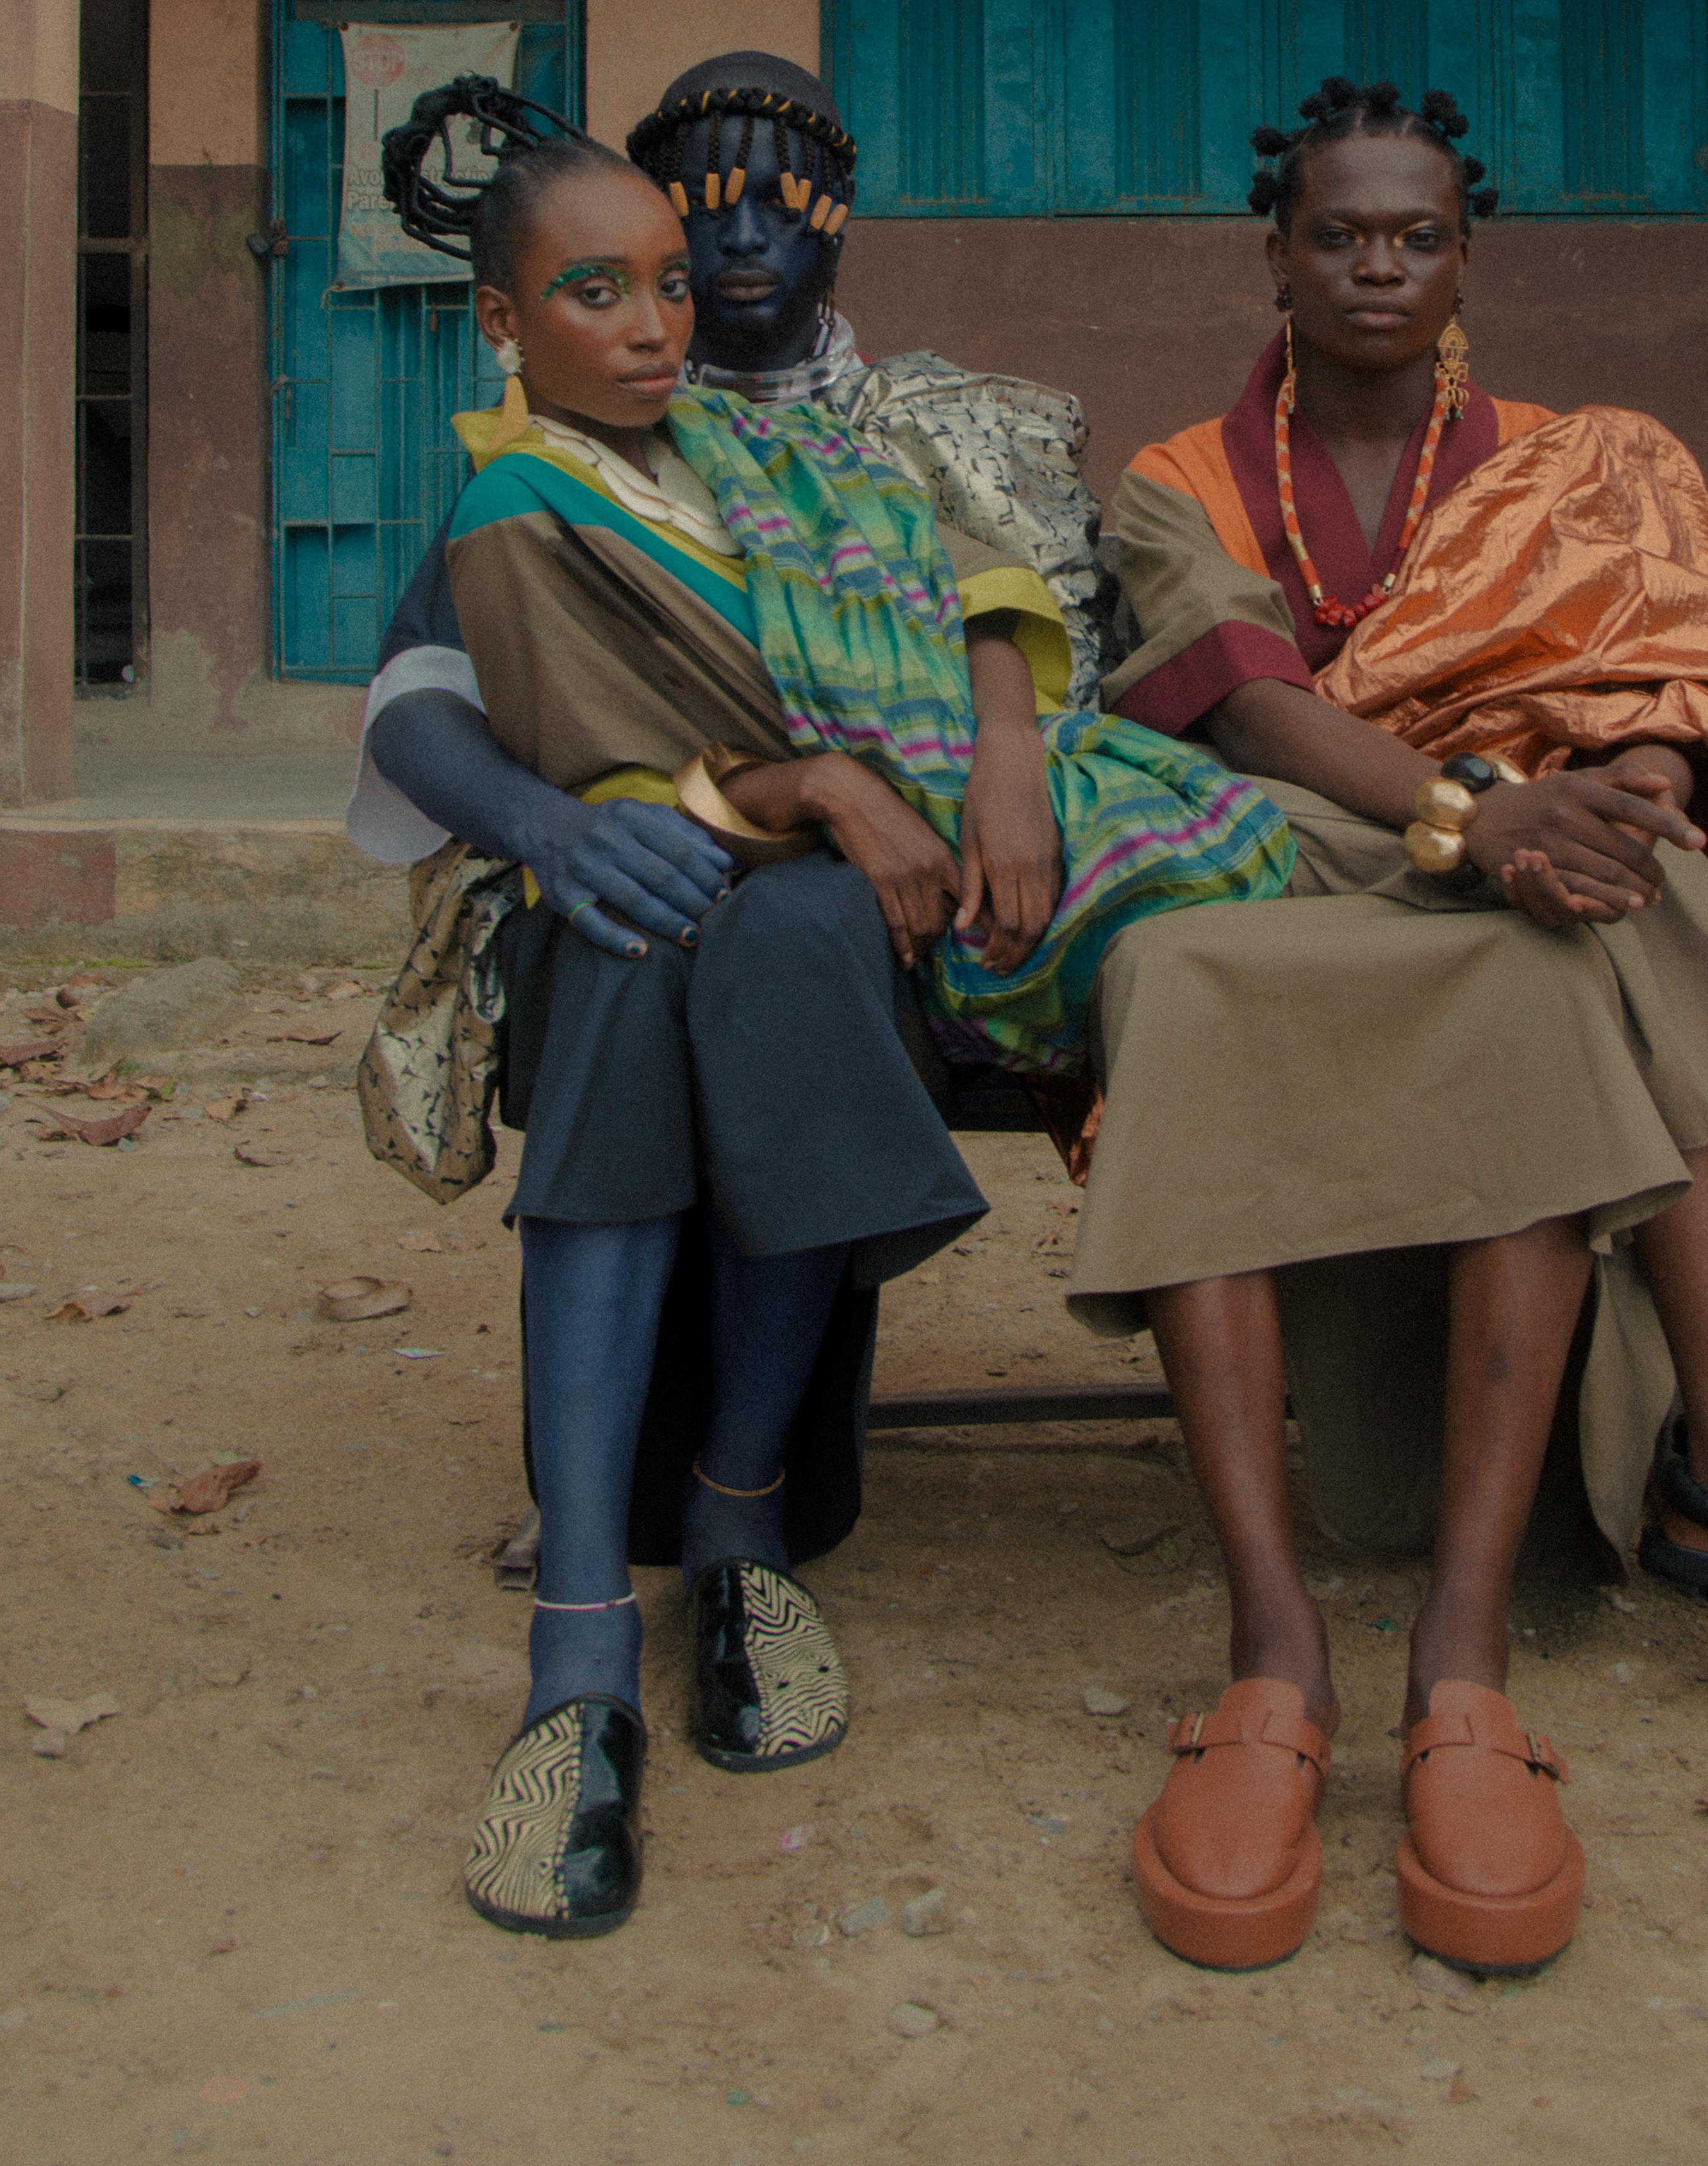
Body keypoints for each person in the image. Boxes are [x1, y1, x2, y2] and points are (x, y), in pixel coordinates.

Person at [1068, 74, 1708, 1981]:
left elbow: (1677, 658)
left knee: (1609, 900)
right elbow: (1243, 705)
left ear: (1465, 253)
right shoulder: (1180, 478)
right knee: (1223, 972)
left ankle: (1470, 1656)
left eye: (1418, 233)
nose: (1381, 263)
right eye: (1342, 233)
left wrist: (1631, 773)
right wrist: (1478, 813)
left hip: (1530, 853)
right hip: (1300, 865)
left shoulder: (1583, 456)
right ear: (1280, 255)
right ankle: (1361, 1620)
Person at [364, 94, 1289, 1944]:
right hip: (610, 884)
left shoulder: (809, 445)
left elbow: (962, 607)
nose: (660, 312)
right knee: (636, 952)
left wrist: (871, 773)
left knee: (780, 955)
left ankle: (736, 1518)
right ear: (507, 318)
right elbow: (417, 711)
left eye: (671, 280)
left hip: (808, 892)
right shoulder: (523, 482)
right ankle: (584, 1654)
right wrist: (576, 817)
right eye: (610, 284)